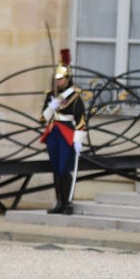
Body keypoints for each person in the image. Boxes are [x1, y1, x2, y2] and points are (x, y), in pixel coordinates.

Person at [39, 49, 87, 215]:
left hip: (67, 132)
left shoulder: (74, 96)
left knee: (63, 168)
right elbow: (42, 118)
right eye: (56, 79)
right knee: (55, 168)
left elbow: (81, 119)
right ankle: (59, 201)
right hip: (54, 133)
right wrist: (50, 107)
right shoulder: (51, 95)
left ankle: (67, 202)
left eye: (60, 79)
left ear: (67, 79)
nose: (58, 82)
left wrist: (79, 139)